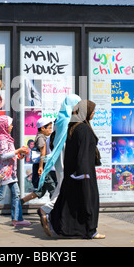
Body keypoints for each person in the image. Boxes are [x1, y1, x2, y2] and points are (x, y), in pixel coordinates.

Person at [46, 100, 105, 239]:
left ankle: (64, 225)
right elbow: (83, 153)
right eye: (92, 110)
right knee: (88, 201)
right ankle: (90, 231)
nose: (94, 113)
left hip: (75, 172)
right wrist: (83, 174)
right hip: (84, 173)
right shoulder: (83, 129)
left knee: (72, 201)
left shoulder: (75, 127)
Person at [36, 94, 81, 226]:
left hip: (59, 157)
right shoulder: (68, 121)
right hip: (65, 157)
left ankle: (54, 216)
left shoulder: (60, 119)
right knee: (66, 187)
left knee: (60, 187)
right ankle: (45, 209)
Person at [21, 117, 56, 204]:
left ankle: (20, 202)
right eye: (49, 128)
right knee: (53, 190)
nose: (51, 130)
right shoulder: (41, 138)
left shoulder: (42, 136)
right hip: (43, 167)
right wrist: (41, 167)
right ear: (43, 128)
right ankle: (53, 210)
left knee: (41, 191)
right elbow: (42, 153)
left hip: (42, 166)